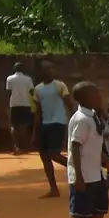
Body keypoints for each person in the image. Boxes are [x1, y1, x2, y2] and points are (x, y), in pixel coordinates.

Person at [68, 81, 109, 218]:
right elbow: (75, 147)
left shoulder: (93, 117)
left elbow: (94, 146)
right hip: (83, 175)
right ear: (85, 98)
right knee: (80, 212)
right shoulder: (81, 119)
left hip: (96, 173)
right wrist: (78, 176)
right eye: (95, 94)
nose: (99, 97)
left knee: (99, 209)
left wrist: (107, 161)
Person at [31, 61, 72, 198]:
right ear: (40, 72)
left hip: (58, 122)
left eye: (51, 68)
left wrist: (74, 121)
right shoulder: (38, 89)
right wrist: (34, 132)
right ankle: (54, 189)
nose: (49, 70)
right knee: (44, 156)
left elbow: (69, 104)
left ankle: (78, 170)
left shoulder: (59, 85)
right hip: (45, 124)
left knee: (54, 153)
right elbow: (37, 112)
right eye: (46, 69)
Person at [5, 62, 35, 155]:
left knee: (14, 125)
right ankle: (25, 147)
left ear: (14, 69)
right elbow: (32, 91)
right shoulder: (28, 79)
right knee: (24, 126)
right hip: (26, 104)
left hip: (14, 104)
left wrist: (8, 104)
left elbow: (8, 92)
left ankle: (16, 146)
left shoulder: (9, 78)